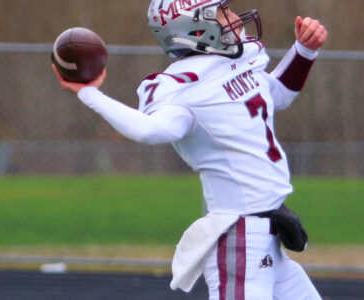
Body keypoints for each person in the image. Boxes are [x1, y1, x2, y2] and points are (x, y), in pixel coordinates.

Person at [52, 0, 327, 299]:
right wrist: (89, 93)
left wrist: (303, 51)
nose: (235, 18)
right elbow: (150, 130)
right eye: (223, 12)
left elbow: (276, 95)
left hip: (268, 238)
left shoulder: (235, 59)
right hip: (240, 242)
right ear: (197, 27)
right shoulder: (182, 86)